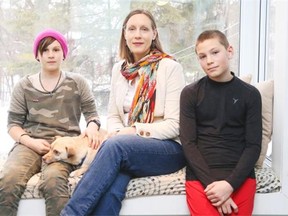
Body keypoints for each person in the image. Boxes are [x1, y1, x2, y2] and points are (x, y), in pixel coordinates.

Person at [60, 9, 187, 216]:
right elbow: (114, 116)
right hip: (126, 149)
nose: (138, 35)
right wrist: (120, 132)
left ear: (154, 34)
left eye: (144, 29)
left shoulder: (169, 67)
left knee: (115, 146)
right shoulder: (119, 70)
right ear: (124, 34)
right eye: (132, 29)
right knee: (110, 189)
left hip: (167, 149)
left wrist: (132, 131)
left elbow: (175, 125)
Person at [0, 28, 103, 216]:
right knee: (9, 178)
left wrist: (92, 127)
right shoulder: (23, 86)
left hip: (64, 147)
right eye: (45, 50)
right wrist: (30, 142)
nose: (51, 55)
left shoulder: (78, 82)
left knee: (54, 181)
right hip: (29, 144)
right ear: (37, 55)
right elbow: (12, 125)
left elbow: (92, 115)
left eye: (56, 50)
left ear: (63, 53)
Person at [180, 29, 262, 216]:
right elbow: (188, 144)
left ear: (229, 51)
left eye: (215, 52)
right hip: (201, 178)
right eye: (202, 56)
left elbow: (253, 146)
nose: (208, 60)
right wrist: (215, 189)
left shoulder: (250, 95)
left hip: (240, 176)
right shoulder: (190, 93)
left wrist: (230, 185)